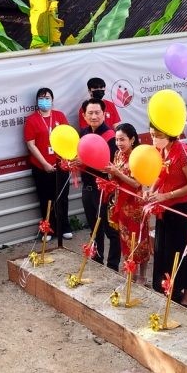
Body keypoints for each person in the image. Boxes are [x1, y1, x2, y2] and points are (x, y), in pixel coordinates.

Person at [147, 125, 187, 309]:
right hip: (164, 209)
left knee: (183, 253)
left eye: (158, 136)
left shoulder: (182, 152)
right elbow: (160, 175)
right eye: (152, 135)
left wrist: (166, 196)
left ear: (170, 135)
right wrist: (151, 190)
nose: (155, 140)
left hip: (182, 210)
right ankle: (167, 288)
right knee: (163, 252)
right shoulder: (161, 151)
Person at [24, 87, 73, 240]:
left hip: (61, 165)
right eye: (41, 98)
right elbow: (31, 144)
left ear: (52, 100)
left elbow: (68, 137)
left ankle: (64, 226)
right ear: (37, 101)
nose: (44, 100)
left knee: (62, 197)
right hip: (41, 167)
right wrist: (44, 163)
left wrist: (66, 159)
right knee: (46, 198)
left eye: (47, 98)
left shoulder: (60, 116)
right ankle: (48, 229)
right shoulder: (32, 120)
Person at [78, 99, 120, 271]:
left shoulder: (111, 137)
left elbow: (109, 167)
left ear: (104, 114)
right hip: (87, 188)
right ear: (84, 116)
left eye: (97, 113)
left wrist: (84, 161)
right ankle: (97, 260)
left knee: (110, 229)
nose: (94, 116)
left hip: (105, 190)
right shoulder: (83, 134)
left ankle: (112, 266)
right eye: (90, 113)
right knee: (94, 228)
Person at [106, 123, 151, 280]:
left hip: (137, 206)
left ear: (132, 139)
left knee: (140, 241)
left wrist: (117, 172)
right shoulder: (118, 154)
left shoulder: (138, 157)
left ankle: (143, 276)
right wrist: (110, 175)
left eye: (122, 140)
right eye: (117, 140)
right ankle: (130, 271)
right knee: (125, 240)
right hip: (122, 205)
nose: (119, 143)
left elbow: (137, 183)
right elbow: (114, 177)